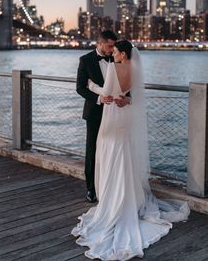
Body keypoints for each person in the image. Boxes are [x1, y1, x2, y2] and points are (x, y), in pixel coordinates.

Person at [72, 40, 190, 260]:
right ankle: (129, 195)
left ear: (123, 54)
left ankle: (112, 198)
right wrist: (126, 99)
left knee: (109, 155)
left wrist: (93, 87)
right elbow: (134, 94)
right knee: (124, 154)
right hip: (125, 113)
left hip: (111, 115)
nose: (112, 54)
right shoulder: (134, 68)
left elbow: (106, 91)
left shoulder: (114, 68)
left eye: (115, 51)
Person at [76, 31, 131, 203]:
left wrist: (128, 99)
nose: (111, 49)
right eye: (109, 46)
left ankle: (112, 188)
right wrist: (99, 98)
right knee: (93, 151)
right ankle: (92, 190)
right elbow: (80, 87)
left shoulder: (118, 60)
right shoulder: (85, 60)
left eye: (114, 47)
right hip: (95, 113)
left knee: (115, 150)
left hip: (117, 114)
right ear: (99, 44)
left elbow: (130, 87)